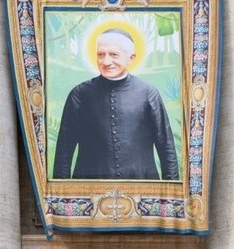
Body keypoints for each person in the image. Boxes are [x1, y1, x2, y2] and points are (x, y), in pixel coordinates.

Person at [52, 28, 179, 181]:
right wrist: (61, 195)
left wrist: (171, 192)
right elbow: (64, 150)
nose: (106, 61)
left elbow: (165, 144)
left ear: (131, 58)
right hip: (89, 189)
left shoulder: (148, 93)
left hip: (142, 186)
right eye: (101, 54)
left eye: (114, 55)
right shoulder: (79, 94)